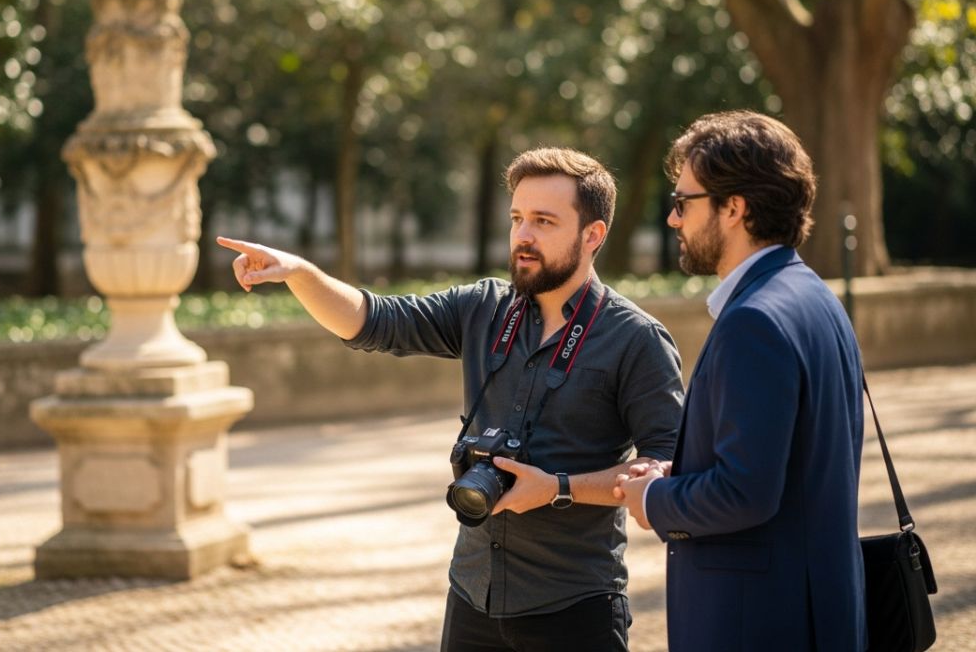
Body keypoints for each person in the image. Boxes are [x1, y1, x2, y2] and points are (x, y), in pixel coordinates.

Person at [219, 147, 684, 652]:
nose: (523, 236)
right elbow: (372, 320)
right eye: (517, 218)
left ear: (592, 235)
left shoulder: (637, 339)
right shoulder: (483, 307)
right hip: (471, 595)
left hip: (573, 608)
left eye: (544, 221)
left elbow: (667, 465)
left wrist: (558, 488)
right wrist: (299, 274)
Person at [615, 111, 866, 651]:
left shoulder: (754, 321)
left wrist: (654, 498)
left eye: (683, 202)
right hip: (814, 610)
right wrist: (677, 471)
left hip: (758, 623)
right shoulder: (814, 296)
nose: (673, 219)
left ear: (734, 207)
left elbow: (745, 493)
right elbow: (782, 461)